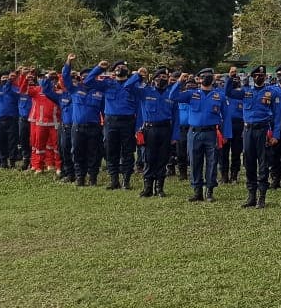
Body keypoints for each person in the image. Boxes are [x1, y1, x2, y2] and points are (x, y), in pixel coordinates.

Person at [226, 65, 281, 209]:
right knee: (249, 162)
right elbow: (229, 93)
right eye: (256, 75)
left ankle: (262, 196)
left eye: (261, 75)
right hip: (248, 131)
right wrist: (231, 77)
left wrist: (276, 135)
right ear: (252, 77)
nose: (259, 77)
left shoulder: (271, 92)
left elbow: (277, 116)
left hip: (263, 130)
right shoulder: (245, 91)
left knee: (263, 164)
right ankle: (251, 195)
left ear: (265, 77)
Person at [172, 69, 232, 203]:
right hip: (194, 133)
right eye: (203, 76)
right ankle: (197, 191)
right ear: (198, 79)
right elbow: (173, 96)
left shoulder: (219, 96)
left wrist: (226, 134)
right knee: (194, 162)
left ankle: (209, 190)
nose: (206, 78)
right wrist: (179, 81)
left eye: (209, 76)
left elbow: (227, 116)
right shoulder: (191, 94)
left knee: (212, 162)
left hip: (212, 133)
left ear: (213, 79)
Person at [84, 60, 140, 190]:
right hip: (111, 122)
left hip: (128, 121)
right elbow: (87, 82)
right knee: (111, 151)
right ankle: (114, 180)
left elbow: (139, 107)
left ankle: (126, 180)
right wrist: (98, 68)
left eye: (123, 67)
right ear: (113, 71)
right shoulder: (107, 84)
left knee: (128, 152)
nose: (120, 68)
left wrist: (138, 126)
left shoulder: (133, 86)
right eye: (118, 67)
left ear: (128, 70)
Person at [131, 67, 179, 198]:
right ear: (154, 78)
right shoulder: (145, 91)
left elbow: (176, 116)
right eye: (159, 76)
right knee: (149, 158)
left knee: (163, 159)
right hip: (149, 129)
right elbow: (127, 87)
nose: (161, 79)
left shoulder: (171, 94)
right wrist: (139, 76)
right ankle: (147, 187)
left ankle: (159, 187)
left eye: (164, 77)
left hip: (165, 129)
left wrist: (175, 135)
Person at [62, 57, 103, 186]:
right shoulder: (74, 89)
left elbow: (104, 112)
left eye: (89, 76)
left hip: (94, 128)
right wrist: (69, 62)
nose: (87, 79)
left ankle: (93, 178)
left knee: (94, 153)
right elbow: (65, 76)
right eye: (84, 76)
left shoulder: (100, 92)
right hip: (78, 128)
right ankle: (80, 177)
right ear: (81, 78)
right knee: (77, 152)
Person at [220, 70, 244, 184]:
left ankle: (234, 174)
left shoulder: (241, 95)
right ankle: (224, 175)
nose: (235, 82)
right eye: (232, 80)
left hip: (238, 125)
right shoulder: (224, 94)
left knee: (236, 152)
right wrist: (230, 77)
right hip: (225, 125)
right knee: (223, 152)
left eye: (236, 80)